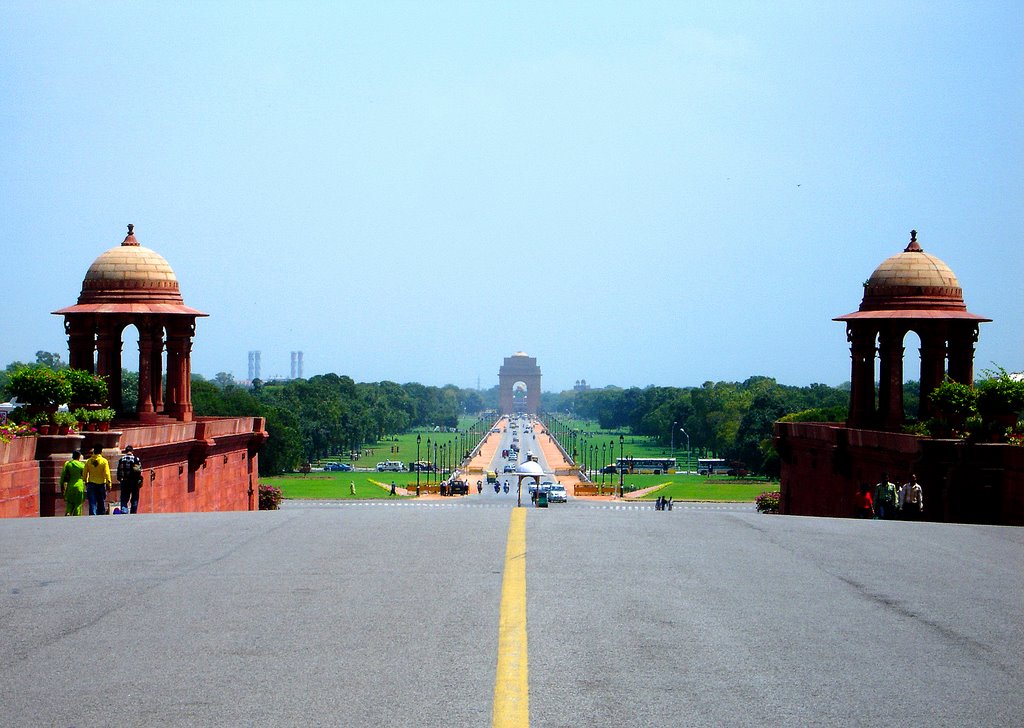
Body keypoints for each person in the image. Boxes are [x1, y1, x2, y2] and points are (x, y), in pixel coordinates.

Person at [83, 445, 111, 516]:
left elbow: (85, 473)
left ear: (94, 451)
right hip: (101, 484)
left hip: (91, 483)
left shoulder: (88, 461)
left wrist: (85, 481)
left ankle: (93, 515)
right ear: (101, 451)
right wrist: (109, 483)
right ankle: (101, 515)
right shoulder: (104, 461)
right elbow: (107, 473)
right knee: (101, 501)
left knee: (92, 502)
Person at [116, 445, 143, 514]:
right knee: (134, 498)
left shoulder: (121, 459)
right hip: (134, 482)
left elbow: (119, 471)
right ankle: (133, 512)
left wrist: (120, 479)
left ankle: (124, 511)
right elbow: (139, 470)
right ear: (132, 451)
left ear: (125, 451)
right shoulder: (136, 459)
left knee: (124, 497)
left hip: (125, 481)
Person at [59, 449, 86, 516]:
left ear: (72, 456)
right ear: (79, 457)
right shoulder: (82, 465)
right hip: (79, 486)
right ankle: (76, 518)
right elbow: (85, 476)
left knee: (69, 503)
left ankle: (68, 512)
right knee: (78, 504)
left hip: (70, 486)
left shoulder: (68, 464)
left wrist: (62, 486)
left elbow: (63, 476)